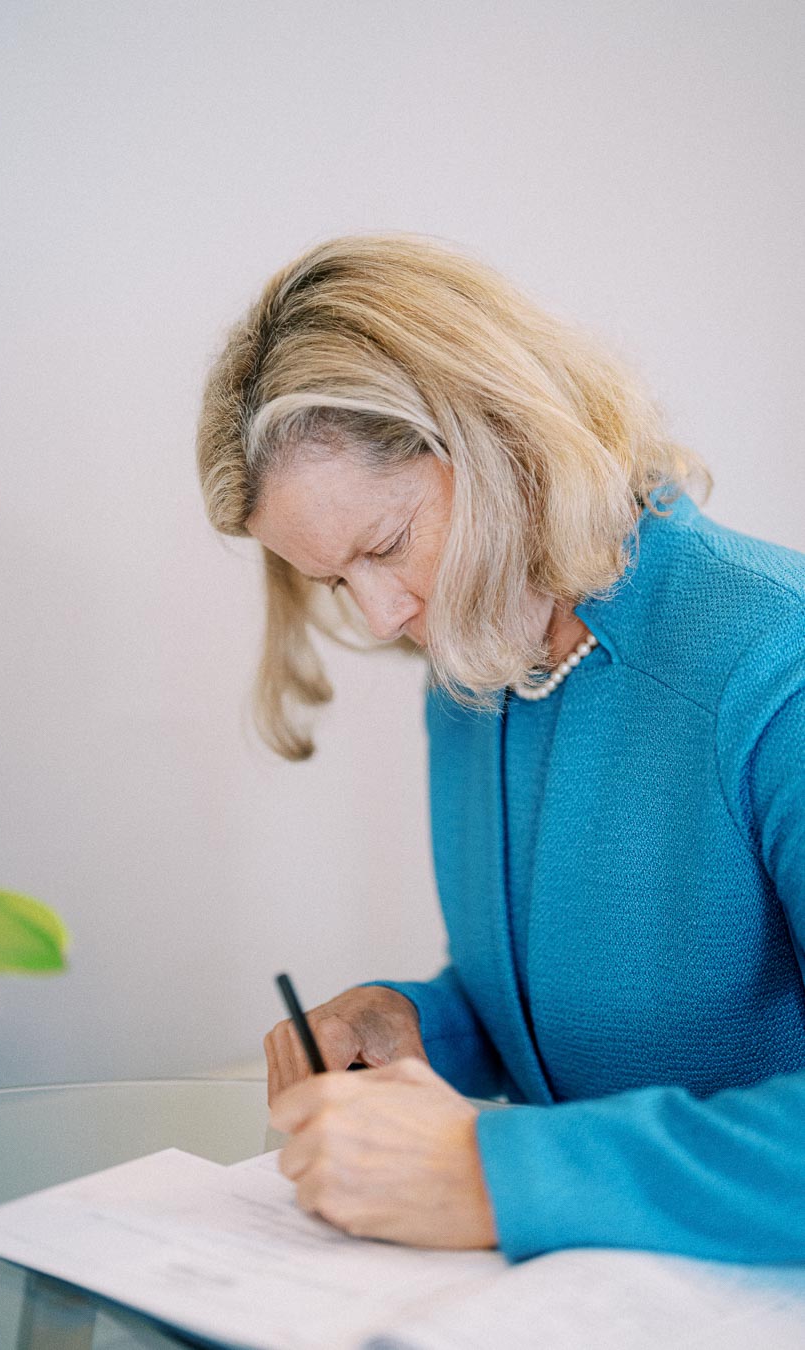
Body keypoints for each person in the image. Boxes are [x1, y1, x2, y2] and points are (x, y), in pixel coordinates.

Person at [195, 233, 805, 1261]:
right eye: (338, 580)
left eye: (384, 546)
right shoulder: (480, 666)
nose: (383, 614)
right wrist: (421, 1024)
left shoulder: (773, 668)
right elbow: (566, 1019)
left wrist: (494, 1173)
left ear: (505, 438)